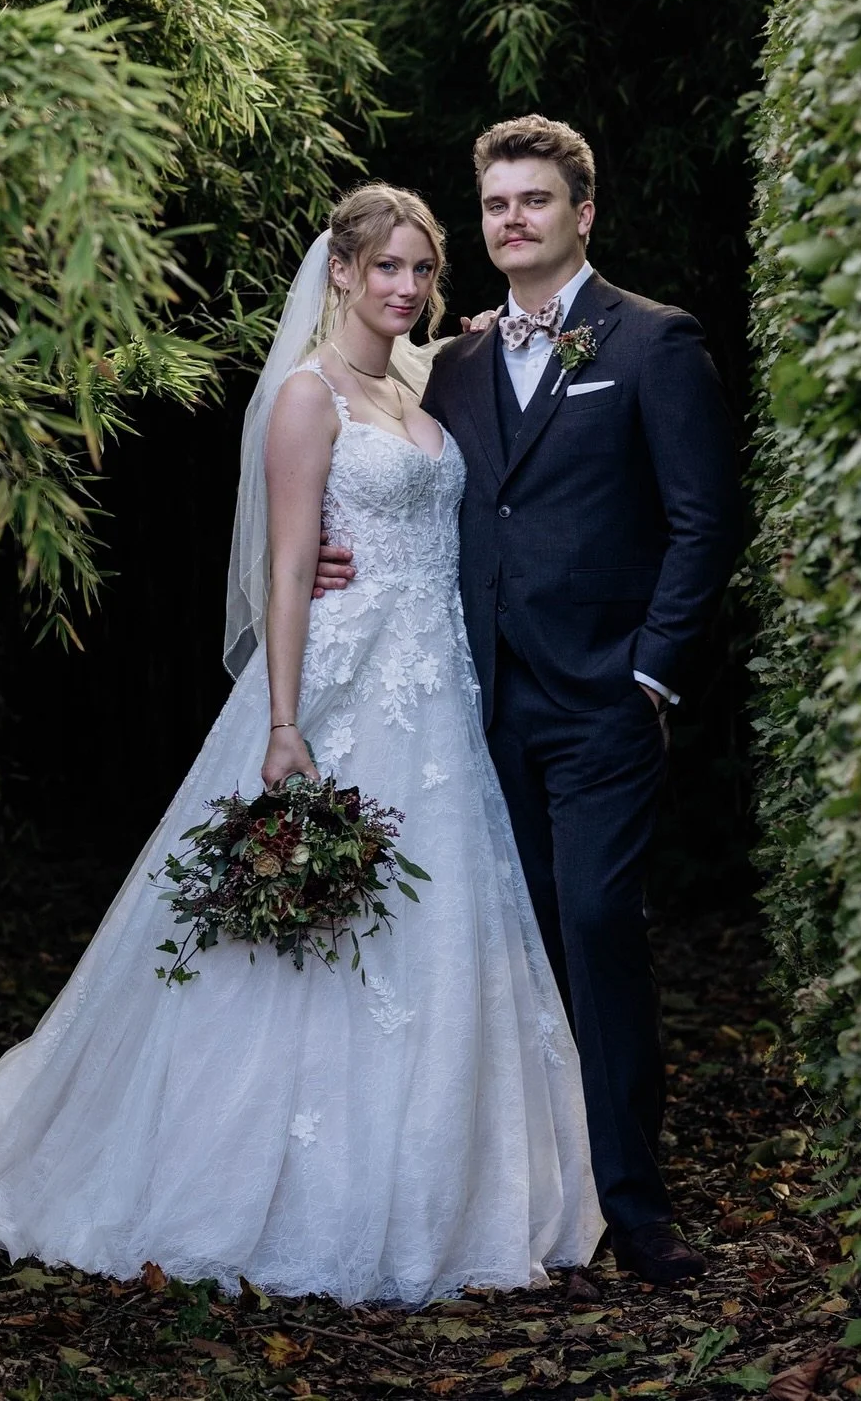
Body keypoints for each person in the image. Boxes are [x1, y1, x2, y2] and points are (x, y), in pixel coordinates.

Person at [0, 182, 602, 1308]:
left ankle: (441, 1184)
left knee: (431, 934)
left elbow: (463, 401)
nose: (406, 288)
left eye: (423, 271)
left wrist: (478, 331)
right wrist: (287, 726)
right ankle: (267, 1184)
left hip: (435, 702)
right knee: (304, 939)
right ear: (337, 271)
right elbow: (290, 567)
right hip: (338, 692)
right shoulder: (305, 397)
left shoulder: (418, 380)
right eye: (385, 267)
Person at [316, 119, 742, 1285]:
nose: (512, 219)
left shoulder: (652, 344)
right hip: (473, 702)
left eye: (534, 200)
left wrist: (652, 670)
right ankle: (527, 1190)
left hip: (603, 702)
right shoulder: (445, 365)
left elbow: (706, 518)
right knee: (500, 947)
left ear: (582, 213)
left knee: (598, 928)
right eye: (496, 202)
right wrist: (318, 554)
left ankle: (634, 1205)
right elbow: (384, 473)